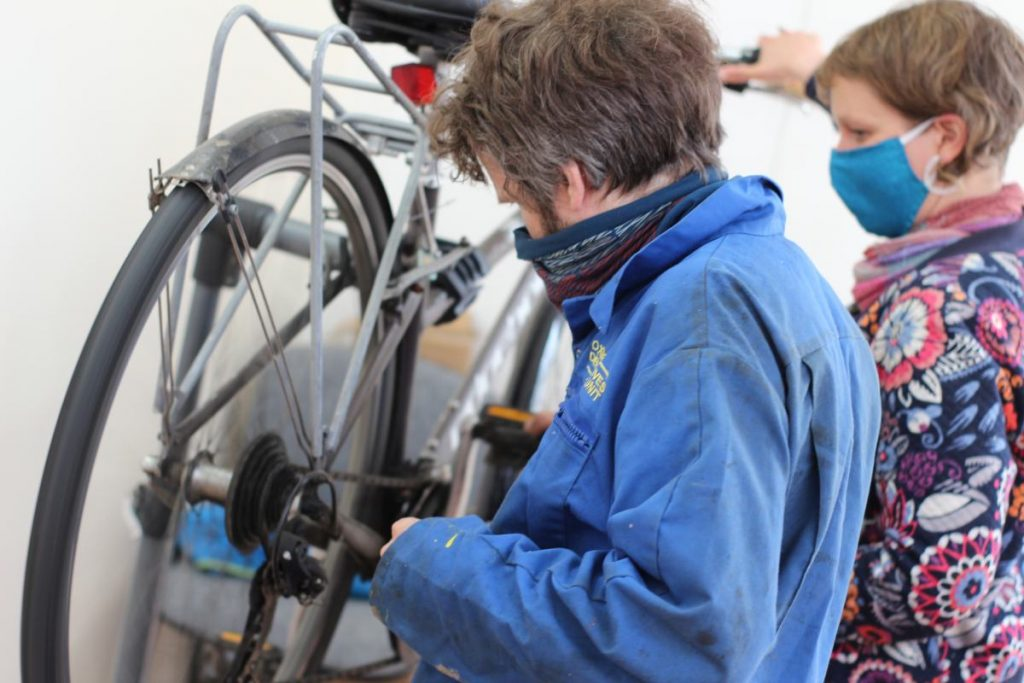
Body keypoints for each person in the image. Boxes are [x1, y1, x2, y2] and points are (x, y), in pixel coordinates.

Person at [369, 0, 880, 680]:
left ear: (574, 182)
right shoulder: (761, 275)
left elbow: (674, 645)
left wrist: (438, 567)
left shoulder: (703, 322)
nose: (527, 231)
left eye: (518, 201)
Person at [721, 2, 1024, 680]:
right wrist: (812, 75)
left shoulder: (942, 316)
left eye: (858, 132)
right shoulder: (1002, 254)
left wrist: (738, 576)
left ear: (945, 138)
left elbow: (935, 583)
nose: (840, 153)